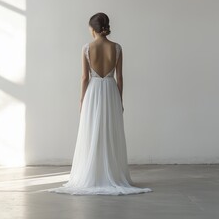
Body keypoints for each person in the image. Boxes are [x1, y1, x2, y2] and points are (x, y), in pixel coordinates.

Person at [46, 12, 153, 195]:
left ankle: (92, 174)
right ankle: (111, 173)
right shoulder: (117, 48)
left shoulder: (87, 48)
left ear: (93, 29)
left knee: (92, 130)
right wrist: (120, 100)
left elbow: (84, 77)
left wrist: (82, 100)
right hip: (111, 91)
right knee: (110, 131)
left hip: (93, 92)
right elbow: (120, 77)